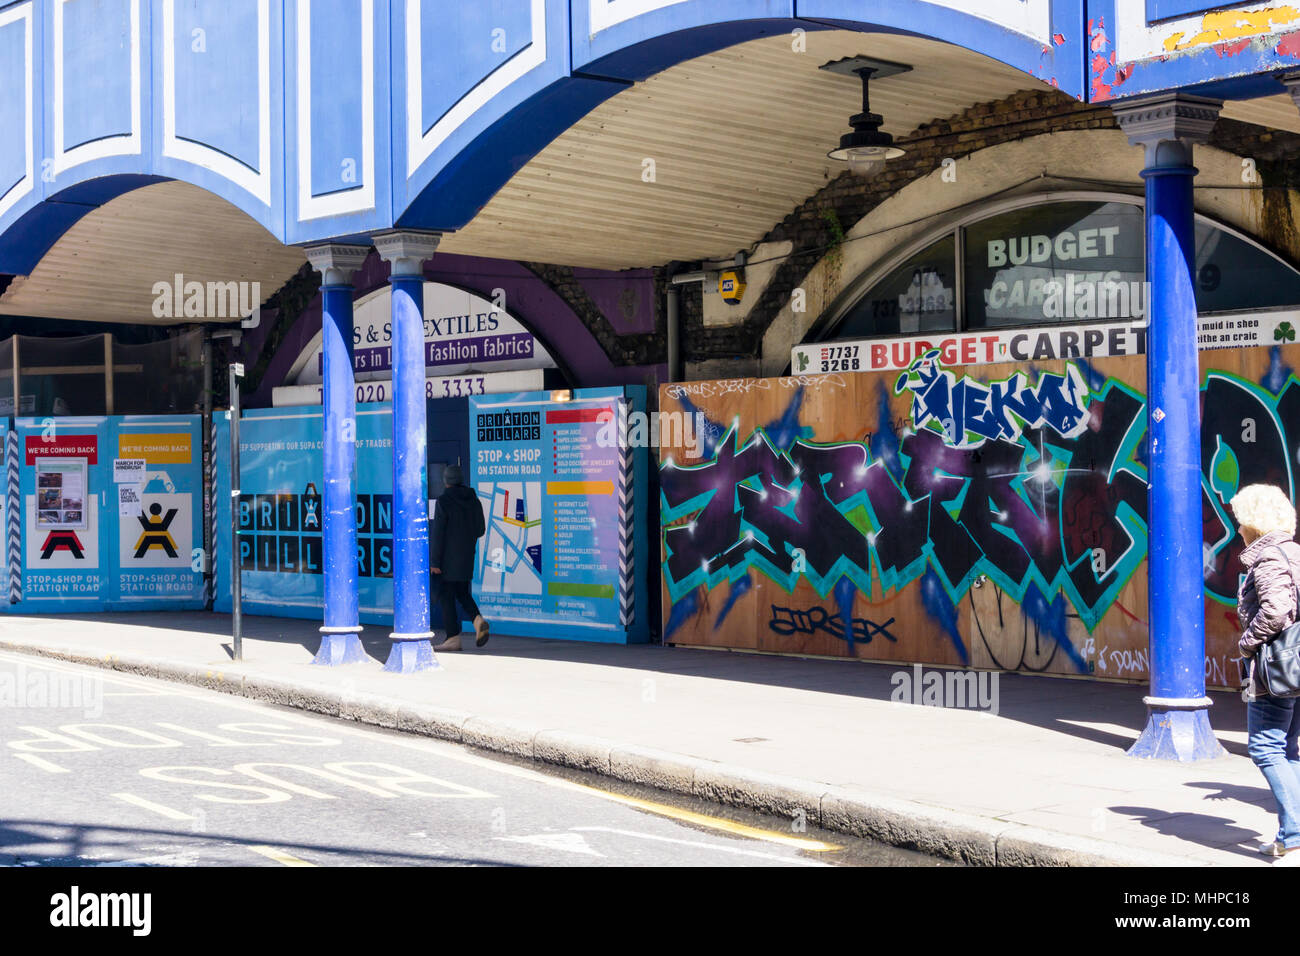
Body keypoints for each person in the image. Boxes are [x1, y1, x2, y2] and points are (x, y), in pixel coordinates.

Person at [1230, 483, 1300, 859]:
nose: (1238, 527)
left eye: (1240, 520)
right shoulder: (1294, 552)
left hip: (1277, 667)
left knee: (1264, 747)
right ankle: (1293, 828)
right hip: (1296, 667)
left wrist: (1246, 644)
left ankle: (1293, 831)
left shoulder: (1269, 557)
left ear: (1254, 523)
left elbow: (1276, 610)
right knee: (1287, 747)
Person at [430, 464, 489, 652]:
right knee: (462, 593)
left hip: (446, 561)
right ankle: (478, 620)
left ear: (446, 481)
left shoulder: (444, 501)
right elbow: (480, 530)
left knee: (446, 596)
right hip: (466, 558)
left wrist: (435, 562)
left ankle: (453, 637)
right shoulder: (474, 501)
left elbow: (438, 534)